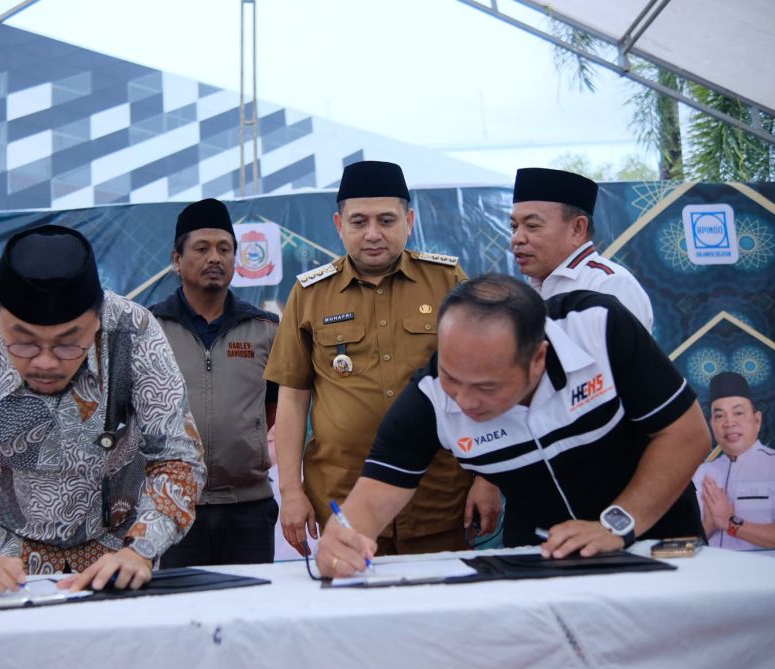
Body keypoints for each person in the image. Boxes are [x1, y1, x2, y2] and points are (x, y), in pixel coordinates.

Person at [316, 274, 711, 576]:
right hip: (544, 555)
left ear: (538, 358)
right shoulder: (429, 398)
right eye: (451, 377)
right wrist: (341, 542)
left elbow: (686, 434)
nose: (465, 401)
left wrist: (617, 525)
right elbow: (372, 498)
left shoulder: (598, 327)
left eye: (487, 387)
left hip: (658, 537)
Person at [0, 225, 205, 598]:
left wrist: (141, 548)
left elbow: (177, 458)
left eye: (67, 344)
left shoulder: (132, 334)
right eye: (23, 343)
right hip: (9, 568)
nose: (45, 362)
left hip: (119, 558)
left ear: (97, 318)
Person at [265, 160, 494, 558]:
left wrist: (487, 478)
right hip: (343, 502)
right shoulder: (310, 294)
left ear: (409, 221)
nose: (373, 233)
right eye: (359, 222)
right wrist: (291, 491)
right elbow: (292, 398)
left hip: (438, 497)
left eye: (386, 220)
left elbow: (487, 383)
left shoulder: (448, 282)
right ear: (339, 224)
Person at [150, 198, 280, 567]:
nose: (215, 258)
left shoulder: (264, 330)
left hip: (249, 507)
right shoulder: (149, 330)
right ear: (177, 260)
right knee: (180, 603)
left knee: (254, 602)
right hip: (172, 505)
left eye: (225, 249)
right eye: (202, 248)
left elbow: (272, 408)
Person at [510, 167, 654, 330]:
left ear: (577, 229)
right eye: (513, 226)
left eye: (532, 225)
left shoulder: (610, 285)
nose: (517, 238)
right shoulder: (529, 290)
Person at [693, 372, 775, 550]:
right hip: (710, 567)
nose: (729, 423)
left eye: (738, 413)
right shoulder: (700, 474)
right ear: (711, 424)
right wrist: (708, 526)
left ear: (757, 420)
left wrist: (730, 523)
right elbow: (685, 544)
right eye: (719, 416)